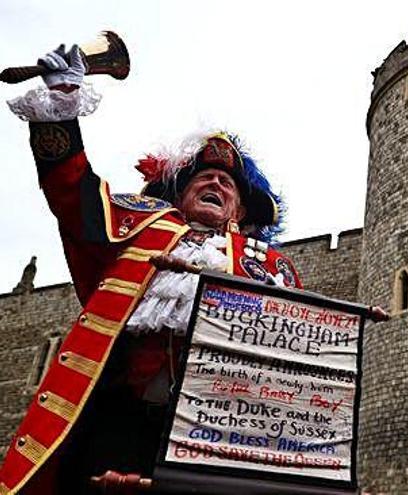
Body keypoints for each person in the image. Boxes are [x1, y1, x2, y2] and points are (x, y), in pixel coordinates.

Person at [0, 45, 303, 494]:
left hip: (216, 431)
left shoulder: (271, 266)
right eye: (203, 177)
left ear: (240, 210)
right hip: (115, 415)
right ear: (178, 196)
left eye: (228, 184)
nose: (216, 181)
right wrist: (62, 105)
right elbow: (71, 193)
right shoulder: (140, 227)